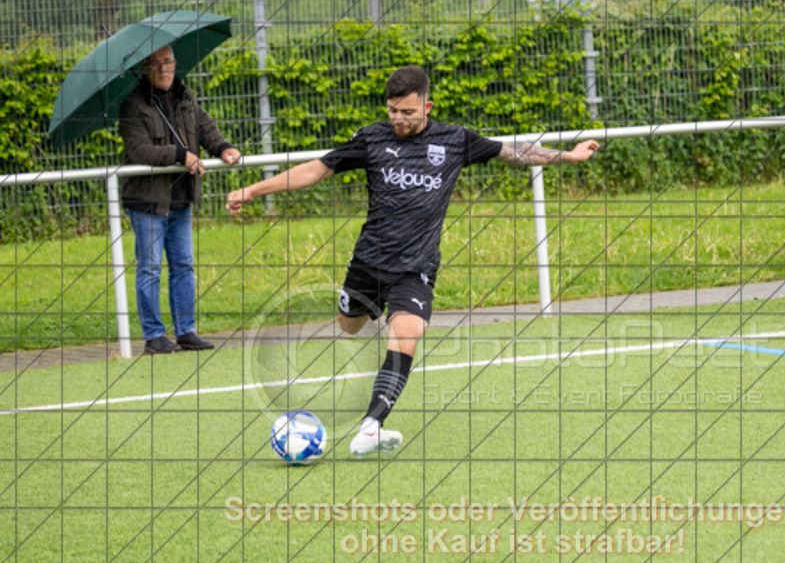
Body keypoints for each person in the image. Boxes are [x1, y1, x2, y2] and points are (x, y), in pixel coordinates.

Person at [225, 65, 600, 458]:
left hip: (416, 266)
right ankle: (366, 330)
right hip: (368, 262)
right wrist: (252, 190)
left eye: (407, 112)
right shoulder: (371, 139)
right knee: (348, 326)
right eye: (392, 111)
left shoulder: (454, 140)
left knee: (407, 333)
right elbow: (314, 170)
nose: (399, 120)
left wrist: (570, 157)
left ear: (427, 106)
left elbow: (516, 152)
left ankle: (371, 425)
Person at [120, 45, 241, 354]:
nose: (163, 69)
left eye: (168, 61)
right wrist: (180, 155)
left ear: (175, 63)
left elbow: (205, 128)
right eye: (155, 63)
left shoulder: (185, 96)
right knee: (149, 269)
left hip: (181, 198)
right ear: (145, 67)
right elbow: (140, 151)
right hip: (147, 201)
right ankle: (154, 336)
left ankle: (186, 331)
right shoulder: (133, 104)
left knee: (183, 265)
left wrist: (223, 148)